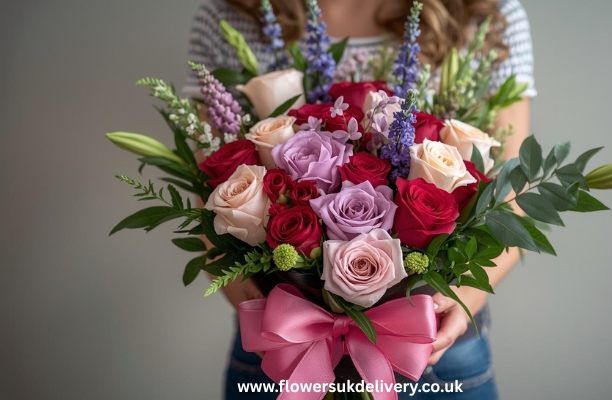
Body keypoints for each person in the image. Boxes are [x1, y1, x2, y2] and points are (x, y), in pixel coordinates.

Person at [183, 0, 536, 398]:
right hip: (284, 346)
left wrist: (457, 304)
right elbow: (209, 193)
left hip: (436, 349)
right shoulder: (231, 12)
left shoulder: (484, 12)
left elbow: (509, 200)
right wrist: (271, 315)